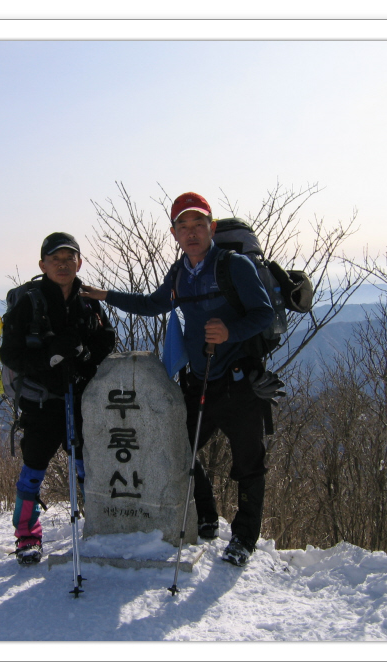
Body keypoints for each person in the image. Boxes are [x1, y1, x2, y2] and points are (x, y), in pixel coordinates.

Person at [80, 192, 274, 566]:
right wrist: (107, 295)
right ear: (173, 233)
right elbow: (154, 304)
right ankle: (205, 517)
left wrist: (230, 332)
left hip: (239, 383)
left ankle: (244, 539)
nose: (191, 233)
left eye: (198, 224)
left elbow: (262, 314)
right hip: (199, 382)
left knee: (249, 464)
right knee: (181, 449)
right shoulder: (180, 272)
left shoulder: (233, 266)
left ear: (211, 228)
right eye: (182, 226)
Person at [0, 232, 116, 565]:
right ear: (43, 265)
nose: (63, 265)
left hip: (80, 397)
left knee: (85, 466)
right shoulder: (29, 302)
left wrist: (84, 358)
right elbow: (10, 353)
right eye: (56, 260)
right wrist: (50, 358)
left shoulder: (89, 299)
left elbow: (107, 339)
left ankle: (96, 526)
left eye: (70, 259)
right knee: (34, 470)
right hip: (41, 402)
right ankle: (27, 537)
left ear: (79, 262)